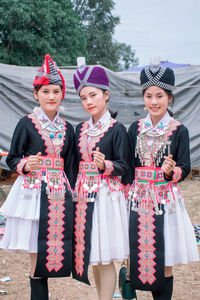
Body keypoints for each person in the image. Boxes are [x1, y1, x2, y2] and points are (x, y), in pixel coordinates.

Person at [0, 54, 77, 299]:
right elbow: (11, 158)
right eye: (45, 92)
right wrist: (25, 164)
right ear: (36, 95)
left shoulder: (68, 128)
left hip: (59, 193)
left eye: (56, 91)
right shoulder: (26, 123)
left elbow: (72, 166)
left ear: (62, 94)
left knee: (51, 251)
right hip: (32, 194)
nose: (51, 97)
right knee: (36, 251)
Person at [127, 62, 199, 299]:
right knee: (138, 252)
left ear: (170, 98)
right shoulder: (134, 129)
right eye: (149, 96)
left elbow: (185, 168)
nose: (154, 102)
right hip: (137, 199)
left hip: (165, 201)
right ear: (143, 98)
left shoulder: (179, 130)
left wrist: (170, 171)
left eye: (160, 96)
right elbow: (128, 165)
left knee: (164, 257)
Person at [72, 59, 130, 300]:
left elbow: (125, 167)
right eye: (84, 97)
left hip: (107, 197)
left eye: (93, 95)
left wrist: (104, 165)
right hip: (84, 197)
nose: (88, 102)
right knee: (93, 257)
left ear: (106, 95)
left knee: (104, 257)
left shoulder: (117, 129)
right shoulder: (80, 129)